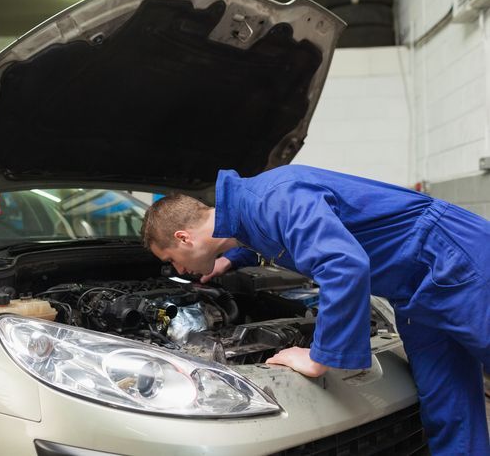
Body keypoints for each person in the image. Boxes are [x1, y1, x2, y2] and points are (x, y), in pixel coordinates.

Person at [141, 165, 489, 455]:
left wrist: (320, 356)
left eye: (172, 260)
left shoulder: (274, 197)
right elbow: (271, 237)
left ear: (184, 238)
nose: (179, 272)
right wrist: (227, 263)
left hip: (455, 259)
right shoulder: (247, 216)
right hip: (412, 290)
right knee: (448, 404)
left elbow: (344, 266)